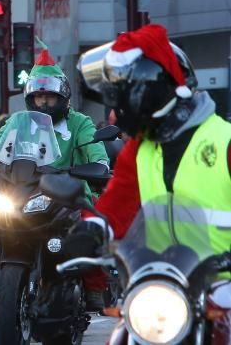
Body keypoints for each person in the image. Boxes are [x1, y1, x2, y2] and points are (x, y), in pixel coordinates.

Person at [68, 24, 231, 281]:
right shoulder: (141, 147)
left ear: (150, 91)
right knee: (124, 322)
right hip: (162, 283)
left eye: (121, 98)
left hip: (223, 286)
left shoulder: (224, 142)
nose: (115, 110)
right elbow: (117, 202)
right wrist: (92, 228)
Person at [0, 49, 110, 311]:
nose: (43, 101)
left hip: (66, 192)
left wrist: (99, 164)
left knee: (91, 228)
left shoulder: (79, 123)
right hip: (22, 189)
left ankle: (95, 285)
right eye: (38, 95)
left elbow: (95, 149)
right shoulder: (17, 122)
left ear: (62, 97)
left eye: (49, 96)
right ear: (30, 97)